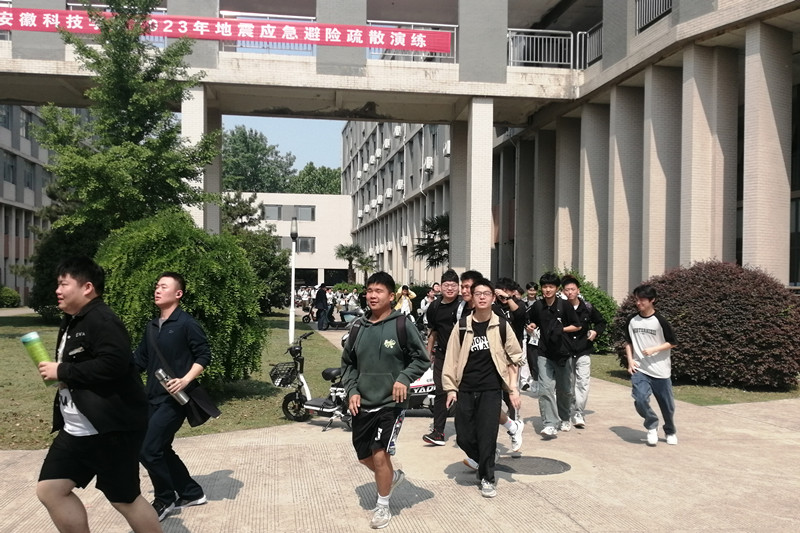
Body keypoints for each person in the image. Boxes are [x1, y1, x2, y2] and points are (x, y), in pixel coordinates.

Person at [36, 256, 163, 533]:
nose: (57, 290)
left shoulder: (102, 320)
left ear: (87, 287)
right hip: (77, 429)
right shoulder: (72, 320)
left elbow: (115, 364)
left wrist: (63, 371)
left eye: (64, 284)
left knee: (124, 498)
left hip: (111, 429)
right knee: (50, 489)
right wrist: (62, 375)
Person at [341, 271, 430, 529]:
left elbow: (421, 359)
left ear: (391, 296)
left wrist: (404, 378)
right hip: (363, 402)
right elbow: (348, 364)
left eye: (378, 291)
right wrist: (352, 390)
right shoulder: (358, 327)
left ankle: (382, 505)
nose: (372, 295)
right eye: (369, 290)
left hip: (391, 402)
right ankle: (392, 476)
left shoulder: (402, 324)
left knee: (379, 454)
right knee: (363, 456)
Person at [134, 272, 211, 521]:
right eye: (157, 286)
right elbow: (140, 360)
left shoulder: (186, 323)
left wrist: (185, 380)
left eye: (164, 286)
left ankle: (165, 499)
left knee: (148, 450)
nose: (157, 290)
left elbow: (204, 355)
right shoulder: (151, 326)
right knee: (161, 448)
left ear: (178, 294)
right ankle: (192, 492)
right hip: (151, 398)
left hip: (175, 400)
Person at [443, 278, 523, 499]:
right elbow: (451, 359)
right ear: (472, 296)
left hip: (491, 389)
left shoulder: (502, 326)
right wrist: (450, 388)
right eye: (477, 293)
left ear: (493, 297)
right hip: (466, 388)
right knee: (463, 436)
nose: (481, 297)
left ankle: (487, 477)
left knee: (487, 434)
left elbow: (515, 357)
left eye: (486, 293)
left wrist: (513, 388)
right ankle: (485, 457)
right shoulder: (462, 326)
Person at [623, 284, 678, 446]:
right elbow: (628, 342)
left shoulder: (660, 321)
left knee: (667, 407)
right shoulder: (632, 320)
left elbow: (673, 342)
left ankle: (670, 431)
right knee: (640, 399)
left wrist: (655, 349)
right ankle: (652, 425)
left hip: (661, 370)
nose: (638, 303)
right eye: (636, 300)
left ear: (652, 300)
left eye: (642, 300)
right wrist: (630, 361)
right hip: (640, 368)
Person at [528, 272, 581, 438]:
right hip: (544, 352)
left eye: (551, 286)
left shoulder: (565, 306)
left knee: (564, 389)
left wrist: (561, 329)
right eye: (544, 287)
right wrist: (531, 326)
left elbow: (577, 325)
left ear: (557, 288)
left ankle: (565, 417)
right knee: (545, 388)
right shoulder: (538, 306)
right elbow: (533, 320)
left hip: (563, 353)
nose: (547, 290)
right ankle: (549, 423)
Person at [560, 276, 606, 429]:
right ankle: (566, 413)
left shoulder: (587, 307)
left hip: (583, 350)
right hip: (565, 351)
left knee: (583, 383)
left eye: (573, 289)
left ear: (578, 291)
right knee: (568, 383)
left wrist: (595, 331)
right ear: (563, 292)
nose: (570, 292)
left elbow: (601, 322)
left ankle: (578, 412)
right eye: (567, 290)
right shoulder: (559, 308)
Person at [422, 269, 462, 445]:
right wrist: (428, 353)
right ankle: (438, 432)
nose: (450, 288)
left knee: (463, 393)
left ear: (458, 287)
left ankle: (465, 432)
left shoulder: (464, 305)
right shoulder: (434, 307)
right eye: (446, 285)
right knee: (440, 392)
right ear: (440, 286)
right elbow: (433, 332)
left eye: (453, 285)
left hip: (462, 357)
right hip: (442, 355)